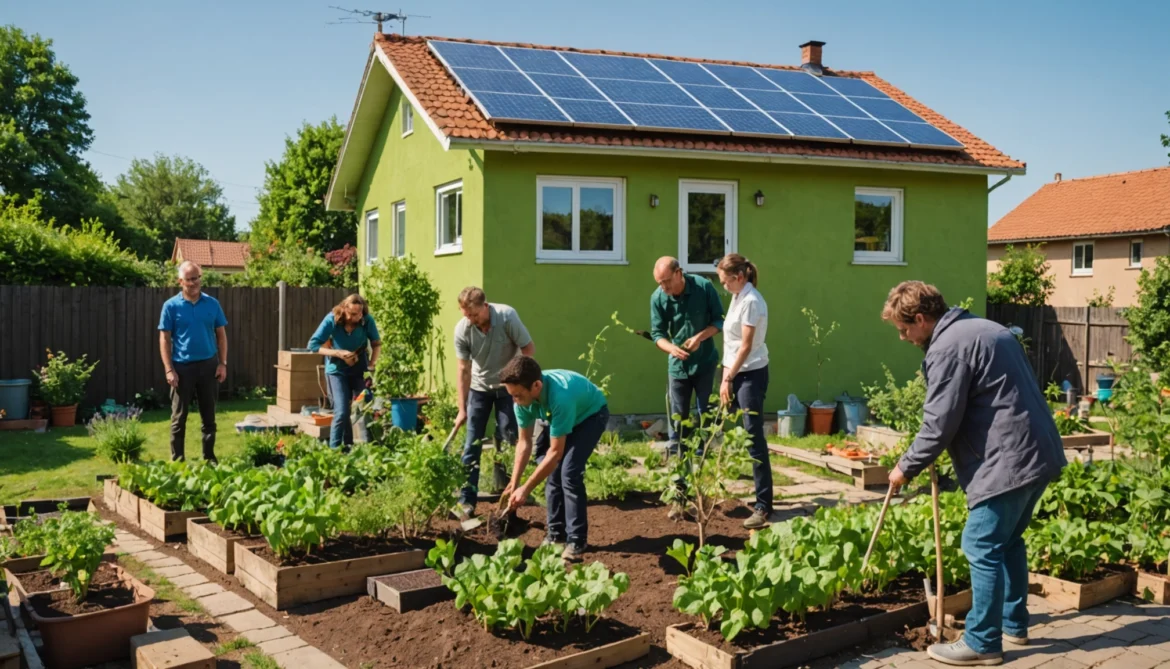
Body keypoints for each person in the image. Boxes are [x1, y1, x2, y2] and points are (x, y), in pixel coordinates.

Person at [882, 281, 1065, 667]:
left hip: (1008, 460)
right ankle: (1013, 623)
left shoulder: (949, 347)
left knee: (980, 544)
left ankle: (983, 642)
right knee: (1009, 541)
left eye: (903, 330)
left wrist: (906, 466)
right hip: (1039, 452)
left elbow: (939, 422)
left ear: (920, 319)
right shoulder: (987, 329)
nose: (903, 338)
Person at [500, 356, 608, 561]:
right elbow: (524, 443)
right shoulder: (522, 401)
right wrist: (514, 484)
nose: (515, 401)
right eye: (511, 395)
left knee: (569, 473)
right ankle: (556, 535)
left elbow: (556, 454)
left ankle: (576, 540)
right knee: (550, 471)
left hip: (590, 416)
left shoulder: (561, 397)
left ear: (536, 386)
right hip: (562, 417)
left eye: (518, 395)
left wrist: (526, 489)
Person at [649, 256, 725, 520]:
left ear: (679, 273)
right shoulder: (658, 298)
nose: (664, 288)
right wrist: (672, 348)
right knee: (676, 431)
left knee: (706, 425)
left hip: (704, 365)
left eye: (667, 282)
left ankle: (704, 493)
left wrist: (700, 337)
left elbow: (719, 321)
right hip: (678, 370)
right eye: (660, 283)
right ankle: (679, 496)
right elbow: (657, 334)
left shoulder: (704, 287)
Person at [453, 287, 535, 516]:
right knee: (472, 443)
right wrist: (462, 408)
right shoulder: (463, 329)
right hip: (479, 389)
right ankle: (466, 501)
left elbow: (528, 349)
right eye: (465, 315)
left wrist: (520, 384)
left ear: (485, 306)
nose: (470, 319)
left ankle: (509, 493)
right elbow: (463, 369)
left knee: (509, 437)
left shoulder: (507, 316)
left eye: (474, 315)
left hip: (507, 388)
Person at [715, 254, 772, 530]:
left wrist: (729, 377)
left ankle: (763, 505)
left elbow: (746, 346)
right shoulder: (738, 297)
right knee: (724, 426)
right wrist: (725, 376)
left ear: (739, 277)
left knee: (753, 436)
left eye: (725, 281)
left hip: (749, 374)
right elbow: (732, 341)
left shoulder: (751, 301)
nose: (723, 286)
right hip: (735, 372)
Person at [158, 261, 228, 463]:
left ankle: (210, 459)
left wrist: (222, 363)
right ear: (180, 281)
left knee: (209, 417)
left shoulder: (212, 304)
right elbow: (164, 338)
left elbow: (221, 336)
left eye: (196, 277)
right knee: (179, 418)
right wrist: (169, 369)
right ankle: (178, 461)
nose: (194, 282)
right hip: (182, 368)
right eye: (189, 279)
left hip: (208, 366)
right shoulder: (170, 306)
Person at [307, 294, 382, 449]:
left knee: (368, 403)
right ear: (344, 311)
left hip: (359, 368)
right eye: (354, 314)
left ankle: (362, 446)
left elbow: (376, 344)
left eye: (360, 312)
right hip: (337, 370)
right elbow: (313, 345)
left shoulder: (367, 321)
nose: (358, 316)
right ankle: (335, 453)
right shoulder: (332, 320)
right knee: (341, 411)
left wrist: (372, 364)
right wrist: (338, 353)